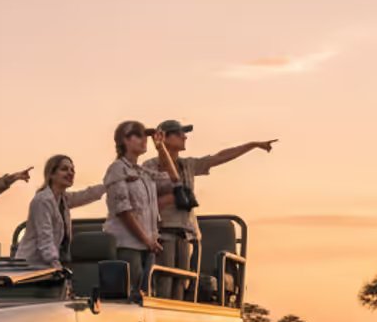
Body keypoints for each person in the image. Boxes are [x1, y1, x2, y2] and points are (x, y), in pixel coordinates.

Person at [143, 120, 277, 298]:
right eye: (179, 133)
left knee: (182, 284)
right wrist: (170, 197)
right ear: (164, 138)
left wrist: (252, 145)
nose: (185, 137)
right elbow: (143, 199)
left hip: (187, 234)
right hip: (163, 232)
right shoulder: (149, 166)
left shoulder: (188, 165)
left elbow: (220, 157)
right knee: (165, 282)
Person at [15, 154, 108, 268]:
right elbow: (45, 237)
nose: (70, 173)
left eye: (72, 170)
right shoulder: (43, 200)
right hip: (32, 266)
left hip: (49, 265)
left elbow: (86, 195)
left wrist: (110, 184)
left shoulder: (62, 199)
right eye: (64, 169)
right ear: (52, 174)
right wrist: (55, 263)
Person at [103, 121, 163, 294]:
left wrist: (161, 148)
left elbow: (173, 179)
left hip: (148, 244)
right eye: (138, 135)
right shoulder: (117, 169)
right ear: (125, 140)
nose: (144, 139)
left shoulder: (142, 171)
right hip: (128, 244)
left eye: (145, 135)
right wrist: (146, 240)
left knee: (148, 296)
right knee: (131, 296)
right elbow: (122, 210)